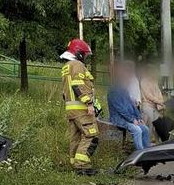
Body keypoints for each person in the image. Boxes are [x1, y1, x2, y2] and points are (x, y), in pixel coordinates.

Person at [60, 38, 100, 174]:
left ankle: (75, 164)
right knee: (91, 135)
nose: (86, 58)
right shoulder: (77, 64)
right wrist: (89, 103)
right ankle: (81, 164)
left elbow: (65, 91)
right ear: (79, 53)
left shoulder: (67, 66)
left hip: (71, 109)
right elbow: (78, 85)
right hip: (81, 108)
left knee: (76, 137)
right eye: (85, 55)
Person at [108, 63, 151, 151]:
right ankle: (140, 153)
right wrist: (132, 120)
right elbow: (121, 109)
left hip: (129, 118)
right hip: (118, 119)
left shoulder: (124, 90)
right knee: (137, 130)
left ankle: (147, 151)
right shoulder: (113, 91)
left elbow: (133, 105)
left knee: (145, 129)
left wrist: (138, 117)